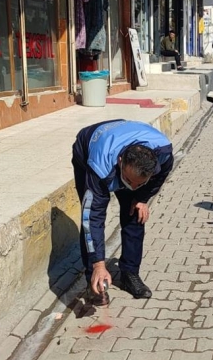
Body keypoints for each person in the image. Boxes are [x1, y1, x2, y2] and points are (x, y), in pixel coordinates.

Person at [71, 120, 174, 300]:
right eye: (129, 180)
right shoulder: (99, 166)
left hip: (125, 139)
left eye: (139, 183)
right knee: (90, 218)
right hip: (88, 148)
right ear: (120, 162)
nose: (132, 187)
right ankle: (94, 280)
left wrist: (142, 198)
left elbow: (161, 175)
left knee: (135, 214)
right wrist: (99, 264)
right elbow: (92, 217)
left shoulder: (163, 154)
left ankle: (130, 274)